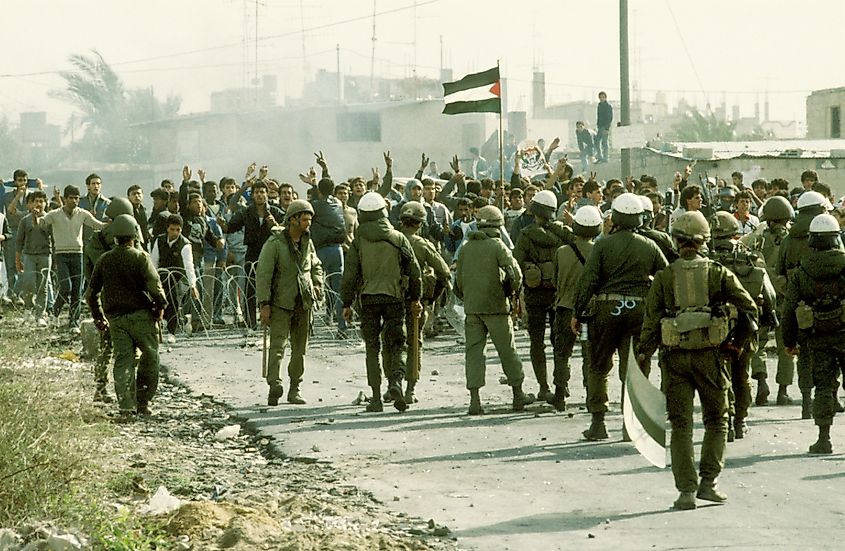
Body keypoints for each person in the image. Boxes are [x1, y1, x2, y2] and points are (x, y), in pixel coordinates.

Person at [638, 211, 757, 510]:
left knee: (680, 426)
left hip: (674, 359)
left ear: (676, 241)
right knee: (717, 421)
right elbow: (750, 309)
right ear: (704, 240)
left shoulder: (664, 277)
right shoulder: (719, 273)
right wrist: (734, 344)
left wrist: (643, 357)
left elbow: (651, 323)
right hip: (712, 359)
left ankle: (686, 492)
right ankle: (709, 483)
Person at [571, 193, 668, 441]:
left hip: (606, 311)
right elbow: (666, 278)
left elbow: (588, 281)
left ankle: (598, 423)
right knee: (634, 370)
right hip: (639, 313)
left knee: (598, 366)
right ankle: (630, 427)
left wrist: (578, 312)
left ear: (614, 217)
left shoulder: (602, 244)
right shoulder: (649, 246)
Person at [341, 192, 422, 413]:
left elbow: (349, 275)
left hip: (368, 300)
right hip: (395, 298)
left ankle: (376, 398)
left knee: (372, 348)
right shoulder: (398, 238)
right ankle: (396, 382)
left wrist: (346, 303)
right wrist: (416, 298)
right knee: (396, 344)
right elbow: (414, 272)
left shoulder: (358, 242)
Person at [86, 214, 167, 421]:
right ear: (135, 236)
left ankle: (126, 407)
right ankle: (143, 402)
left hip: (116, 320)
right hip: (141, 317)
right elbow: (154, 286)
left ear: (114, 238)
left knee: (123, 361)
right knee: (150, 357)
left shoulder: (104, 259)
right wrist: (160, 307)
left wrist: (98, 317)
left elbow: (91, 293)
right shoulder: (141, 257)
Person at [455, 205, 534, 414]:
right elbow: (515, 274)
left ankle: (475, 401)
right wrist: (510, 291)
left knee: (473, 353)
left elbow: (458, 283)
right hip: (496, 306)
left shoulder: (465, 248)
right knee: (507, 351)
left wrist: (469, 298)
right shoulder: (498, 246)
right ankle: (518, 394)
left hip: (472, 308)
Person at [709, 212, 776, 441]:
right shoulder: (750, 257)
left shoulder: (705, 258)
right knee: (741, 374)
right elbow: (769, 295)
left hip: (713, 325)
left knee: (719, 375)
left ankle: (724, 422)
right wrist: (767, 318)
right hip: (745, 326)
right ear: (735, 231)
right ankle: (740, 421)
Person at [781, 213, 845, 454]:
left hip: (818, 337)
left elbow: (788, 310)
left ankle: (824, 438)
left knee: (823, 387)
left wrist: (789, 341)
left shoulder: (801, 272)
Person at [256, 200, 323, 406]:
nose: (308, 222)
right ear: (292, 220)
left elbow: (315, 265)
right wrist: (264, 304)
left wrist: (317, 284)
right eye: (304, 218)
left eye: (310, 218)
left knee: (299, 349)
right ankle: (274, 385)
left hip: (303, 303)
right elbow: (264, 275)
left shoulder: (308, 242)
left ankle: (295, 388)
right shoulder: (275, 244)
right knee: (278, 346)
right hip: (280, 303)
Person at [514, 189, 574, 402]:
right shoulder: (563, 233)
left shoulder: (526, 234)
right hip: (559, 294)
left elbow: (516, 263)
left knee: (537, 343)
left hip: (534, 295)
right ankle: (562, 384)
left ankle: (543, 386)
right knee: (561, 341)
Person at [776, 190, 829, 417]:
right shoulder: (828, 234)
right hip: (829, 306)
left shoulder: (789, 239)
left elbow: (779, 273)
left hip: (799, 307)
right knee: (828, 355)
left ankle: (806, 401)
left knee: (804, 354)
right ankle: (828, 399)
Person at [397, 201, 450, 404]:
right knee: (414, 344)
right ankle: (410, 389)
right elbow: (444, 271)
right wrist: (432, 296)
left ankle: (393, 382)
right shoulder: (422, 244)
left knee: (392, 344)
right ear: (420, 224)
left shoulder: (390, 240)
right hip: (417, 301)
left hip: (392, 299)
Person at [744, 196, 795, 405]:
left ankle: (761, 381)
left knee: (759, 343)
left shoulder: (755, 238)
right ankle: (783, 391)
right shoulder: (794, 239)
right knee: (787, 345)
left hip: (762, 298)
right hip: (786, 298)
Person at [551, 205, 602, 410]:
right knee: (590, 355)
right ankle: (591, 396)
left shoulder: (562, 252)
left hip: (564, 309)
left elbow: (555, 280)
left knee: (562, 354)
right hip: (590, 311)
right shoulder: (599, 251)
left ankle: (560, 395)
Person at [219, 179, 284, 330]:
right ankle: (250, 322)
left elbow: (285, 229)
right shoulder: (246, 212)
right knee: (250, 287)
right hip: (252, 252)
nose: (260, 195)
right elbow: (230, 227)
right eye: (256, 192)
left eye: (262, 192)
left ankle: (271, 320)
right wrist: (223, 225)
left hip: (272, 253)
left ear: (267, 195)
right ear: (253, 195)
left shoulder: (275, 211)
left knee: (272, 287)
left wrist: (275, 225)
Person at [43, 184, 108, 332]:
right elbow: (42, 222)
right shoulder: (55, 214)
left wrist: (110, 223)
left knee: (77, 290)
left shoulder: (82, 213)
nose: (74, 201)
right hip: (61, 254)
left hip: (77, 254)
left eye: (77, 198)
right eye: (71, 198)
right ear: (65, 199)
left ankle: (74, 322)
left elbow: (97, 225)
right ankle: (54, 312)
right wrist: (36, 215)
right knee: (66, 287)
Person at [150, 214, 197, 341]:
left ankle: (172, 332)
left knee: (173, 300)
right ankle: (169, 323)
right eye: (172, 229)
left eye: (178, 230)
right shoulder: (159, 240)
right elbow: (154, 262)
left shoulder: (185, 244)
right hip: (163, 275)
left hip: (179, 278)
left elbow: (189, 266)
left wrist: (193, 285)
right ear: (167, 228)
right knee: (158, 299)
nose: (175, 233)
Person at [14, 190, 52, 326]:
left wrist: (38, 220)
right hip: (29, 255)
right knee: (28, 284)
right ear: (31, 204)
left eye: (41, 201)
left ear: (45, 203)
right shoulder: (25, 220)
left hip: (45, 255)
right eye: (36, 201)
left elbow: (50, 235)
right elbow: (19, 241)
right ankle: (28, 309)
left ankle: (40, 314)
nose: (39, 204)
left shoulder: (49, 219)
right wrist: (18, 260)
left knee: (43, 286)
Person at [78, 173, 111, 243]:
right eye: (93, 184)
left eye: (98, 184)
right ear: (88, 186)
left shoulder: (107, 203)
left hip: (101, 242)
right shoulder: (80, 202)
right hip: (84, 240)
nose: (96, 186)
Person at [127, 185, 149, 251]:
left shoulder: (143, 210)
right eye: (133, 194)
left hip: (144, 241)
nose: (137, 196)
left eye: (139, 193)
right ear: (128, 197)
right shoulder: (127, 210)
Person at [595, 91, 613, 163]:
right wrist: (598, 125)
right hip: (600, 126)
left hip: (605, 126)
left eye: (603, 97)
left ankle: (605, 158)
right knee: (597, 141)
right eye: (600, 97)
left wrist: (607, 128)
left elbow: (610, 118)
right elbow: (598, 116)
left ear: (605, 98)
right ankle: (600, 157)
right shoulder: (599, 106)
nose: (602, 99)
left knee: (604, 143)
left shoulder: (608, 106)